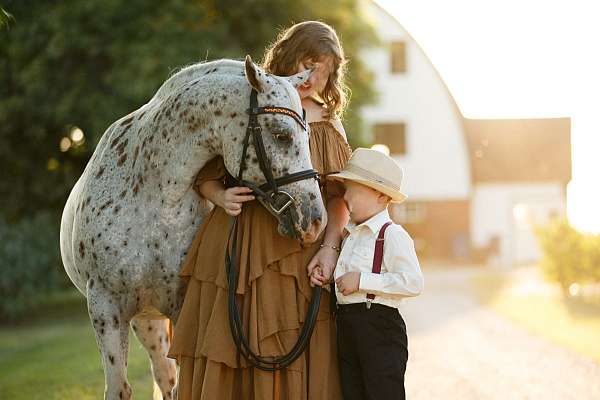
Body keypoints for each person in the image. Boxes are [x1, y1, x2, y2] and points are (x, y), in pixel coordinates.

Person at [167, 21, 352, 400]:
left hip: (302, 259)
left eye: (325, 69)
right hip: (239, 246)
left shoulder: (329, 124)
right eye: (309, 62)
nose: (314, 75)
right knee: (229, 348)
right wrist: (218, 195)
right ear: (291, 56)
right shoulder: (250, 99)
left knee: (297, 351)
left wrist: (331, 249)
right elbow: (203, 173)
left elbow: (339, 199)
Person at [311, 148, 424, 400]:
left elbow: (414, 282)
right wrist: (330, 280)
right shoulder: (349, 234)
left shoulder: (392, 235)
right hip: (348, 326)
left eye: (352, 189)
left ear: (381, 196)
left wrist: (362, 281)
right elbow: (346, 278)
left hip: (379, 328)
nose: (345, 197)